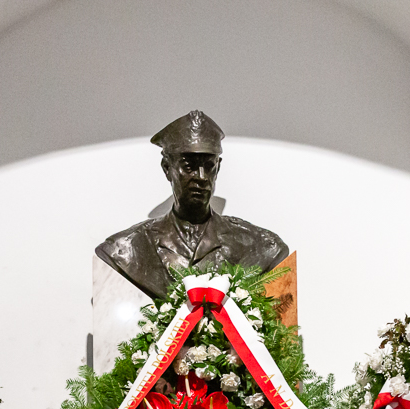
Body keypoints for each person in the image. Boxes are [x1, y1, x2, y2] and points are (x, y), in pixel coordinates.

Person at [96, 110, 289, 299]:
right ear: (167, 168)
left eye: (209, 166)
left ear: (218, 168)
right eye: (189, 166)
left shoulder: (259, 246)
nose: (202, 177)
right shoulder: (128, 249)